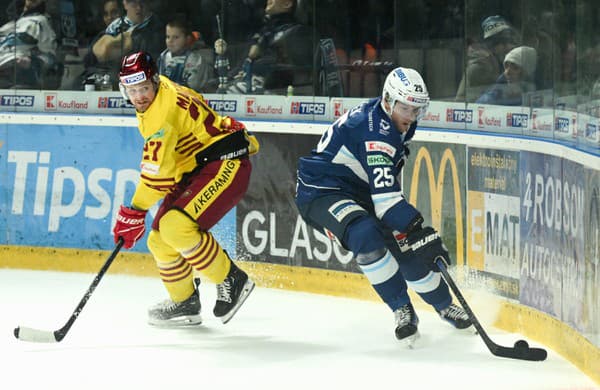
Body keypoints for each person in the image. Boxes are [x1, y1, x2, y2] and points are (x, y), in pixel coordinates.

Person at [295, 67, 472, 345]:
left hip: (361, 192)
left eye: (417, 110)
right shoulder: (376, 132)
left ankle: (443, 304)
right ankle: (401, 307)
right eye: (406, 108)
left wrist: (414, 234)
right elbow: (388, 202)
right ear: (388, 100)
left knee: (406, 248)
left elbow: (385, 191)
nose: (411, 117)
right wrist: (417, 228)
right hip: (322, 191)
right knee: (365, 234)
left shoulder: (395, 120)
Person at [112, 51, 259, 327]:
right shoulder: (161, 91)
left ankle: (231, 279)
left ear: (154, 81)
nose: (139, 96)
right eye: (132, 90)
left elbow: (159, 179)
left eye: (143, 88)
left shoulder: (160, 114)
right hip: (200, 166)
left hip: (225, 162)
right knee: (159, 240)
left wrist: (133, 212)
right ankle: (185, 302)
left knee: (174, 227)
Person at [215, 0, 313, 94]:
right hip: (248, 84)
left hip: (272, 93)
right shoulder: (265, 32)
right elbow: (245, 62)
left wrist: (253, 67)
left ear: (287, 4)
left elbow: (290, 69)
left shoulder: (296, 33)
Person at [81, 0, 164, 90]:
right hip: (100, 81)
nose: (139, 7)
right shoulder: (113, 28)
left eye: (142, 2)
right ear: (125, 3)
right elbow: (89, 60)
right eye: (134, 3)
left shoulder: (158, 32)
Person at [455, 15, 520, 103]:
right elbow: (494, 94)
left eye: (509, 42)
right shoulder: (481, 65)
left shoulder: (497, 61)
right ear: (492, 45)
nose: (508, 47)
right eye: (503, 43)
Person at [0, 0, 57, 88]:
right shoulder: (7, 25)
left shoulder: (41, 21)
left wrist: (32, 62)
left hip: (17, 76)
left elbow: (50, 57)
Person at [157, 15, 215, 92]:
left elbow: (194, 85)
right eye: (168, 37)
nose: (170, 41)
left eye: (176, 37)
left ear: (187, 39)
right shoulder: (162, 57)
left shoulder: (195, 60)